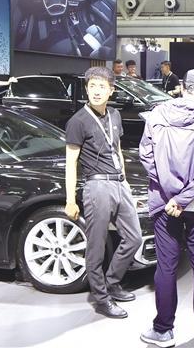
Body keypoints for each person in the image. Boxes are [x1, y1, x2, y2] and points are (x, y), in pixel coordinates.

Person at [139, 69, 194, 347]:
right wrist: (185, 198)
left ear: (183, 87)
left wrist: (172, 196)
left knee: (166, 267)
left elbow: (146, 156)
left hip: (164, 203)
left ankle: (163, 330)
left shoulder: (157, 114)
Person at [64, 67, 141, 319]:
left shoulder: (115, 115)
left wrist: (125, 181)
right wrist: (70, 200)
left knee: (134, 238)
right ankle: (101, 298)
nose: (96, 91)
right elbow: (71, 163)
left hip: (119, 183)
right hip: (96, 186)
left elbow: (117, 149)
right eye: (92, 86)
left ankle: (112, 282)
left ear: (111, 90)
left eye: (101, 87)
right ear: (86, 89)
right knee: (96, 247)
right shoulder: (78, 121)